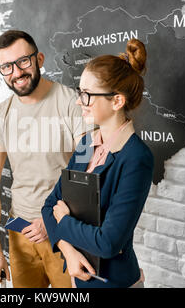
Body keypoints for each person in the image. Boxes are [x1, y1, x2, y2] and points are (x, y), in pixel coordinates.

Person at [0, 30, 92, 288]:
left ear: (39, 58)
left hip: (64, 231)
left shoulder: (73, 104)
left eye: (23, 62)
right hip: (19, 232)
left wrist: (50, 221)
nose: (17, 72)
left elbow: (87, 174)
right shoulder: (0, 114)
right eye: (7, 67)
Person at [41, 39, 153, 288]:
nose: (79, 101)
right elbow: (49, 207)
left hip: (114, 283)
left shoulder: (136, 158)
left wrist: (65, 221)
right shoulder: (85, 146)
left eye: (87, 95)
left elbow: (108, 243)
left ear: (117, 101)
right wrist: (69, 253)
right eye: (80, 92)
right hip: (78, 278)